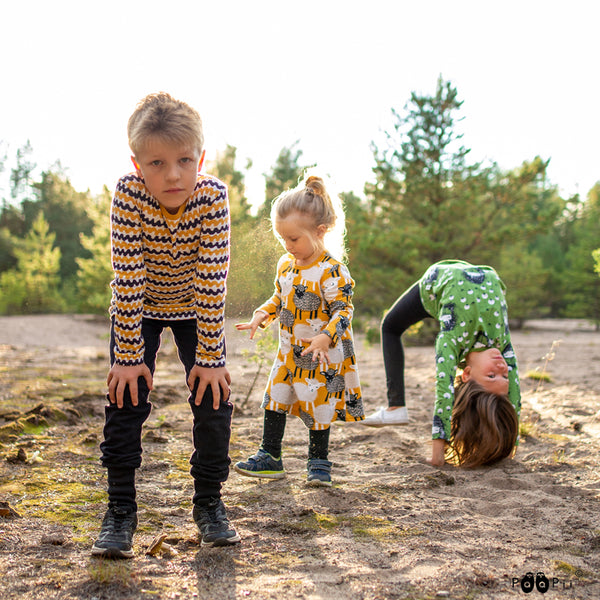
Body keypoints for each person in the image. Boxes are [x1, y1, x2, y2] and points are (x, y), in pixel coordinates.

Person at [91, 92, 240, 559]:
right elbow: (128, 277)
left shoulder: (212, 198)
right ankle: (120, 512)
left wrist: (212, 359)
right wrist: (130, 358)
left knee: (213, 401)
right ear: (137, 163)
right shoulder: (128, 195)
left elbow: (211, 283)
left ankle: (210, 504)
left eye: (183, 160)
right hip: (140, 307)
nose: (172, 174)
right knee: (126, 398)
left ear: (202, 157)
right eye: (156, 163)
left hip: (196, 310)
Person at [234, 174, 364, 487]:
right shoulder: (286, 265)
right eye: (283, 240)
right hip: (287, 351)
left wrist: (326, 336)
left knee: (318, 406)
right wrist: (260, 315)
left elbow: (344, 310)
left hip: (320, 353)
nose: (288, 246)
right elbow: (280, 298)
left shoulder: (331, 270)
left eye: (294, 239)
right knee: (274, 398)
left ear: (320, 232)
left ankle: (319, 462)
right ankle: (270, 455)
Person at [362, 260, 520, 468]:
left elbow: (444, 394)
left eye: (492, 376)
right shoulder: (502, 344)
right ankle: (396, 406)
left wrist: (437, 455)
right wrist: (512, 448)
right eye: (504, 376)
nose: (502, 368)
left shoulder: (452, 339)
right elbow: (515, 401)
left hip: (454, 278)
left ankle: (396, 406)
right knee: (389, 328)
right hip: (461, 278)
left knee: (390, 326)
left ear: (467, 374)